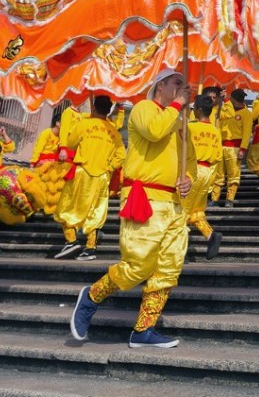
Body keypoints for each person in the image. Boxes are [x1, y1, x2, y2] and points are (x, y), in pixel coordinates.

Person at [70, 69, 192, 349]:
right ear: (160, 85)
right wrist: (178, 104)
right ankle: (91, 297)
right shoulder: (144, 108)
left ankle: (143, 329)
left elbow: (190, 165)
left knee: (169, 269)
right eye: (177, 83)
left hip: (174, 204)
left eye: (184, 85)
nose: (184, 89)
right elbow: (154, 130)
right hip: (145, 198)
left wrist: (187, 181)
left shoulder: (179, 121)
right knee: (137, 265)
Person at [52, 96, 125, 261]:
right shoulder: (114, 131)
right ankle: (90, 248)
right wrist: (109, 167)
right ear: (109, 110)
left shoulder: (83, 125)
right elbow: (121, 156)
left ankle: (71, 241)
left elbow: (70, 144)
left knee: (65, 207)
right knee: (95, 212)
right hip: (102, 177)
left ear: (93, 107)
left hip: (82, 172)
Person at [183, 94, 224, 260]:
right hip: (207, 172)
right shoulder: (215, 130)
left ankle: (181, 250)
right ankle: (210, 235)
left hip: (191, 171)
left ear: (198, 110)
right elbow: (218, 156)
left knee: (182, 212)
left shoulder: (190, 128)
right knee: (197, 211)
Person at [214, 89, 251, 207]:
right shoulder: (225, 110)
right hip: (221, 146)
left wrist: (243, 149)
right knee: (218, 175)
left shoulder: (246, 114)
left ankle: (229, 199)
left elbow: (246, 134)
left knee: (233, 176)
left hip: (235, 148)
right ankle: (214, 199)